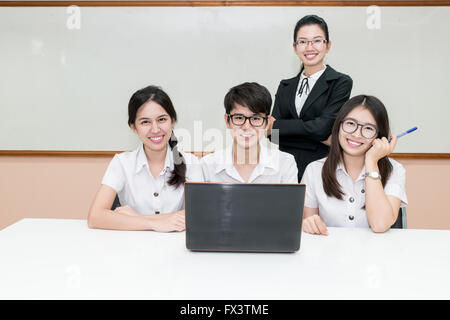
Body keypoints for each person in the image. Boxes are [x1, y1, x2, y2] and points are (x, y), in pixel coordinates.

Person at [88, 85, 203, 232]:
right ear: (133, 127)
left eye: (161, 119)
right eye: (145, 122)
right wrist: (155, 224)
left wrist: (135, 217)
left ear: (172, 121)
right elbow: (95, 217)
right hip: (132, 246)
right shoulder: (122, 162)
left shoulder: (191, 163)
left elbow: (197, 216)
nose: (155, 129)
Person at [301, 95, 408, 235]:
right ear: (339, 126)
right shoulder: (314, 170)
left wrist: (371, 162)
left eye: (369, 128)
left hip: (377, 253)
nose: (357, 134)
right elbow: (310, 225)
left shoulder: (395, 170)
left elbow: (380, 224)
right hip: (330, 253)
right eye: (350, 123)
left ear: (379, 136)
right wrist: (308, 224)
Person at [268, 14, 353, 181]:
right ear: (295, 47)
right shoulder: (285, 86)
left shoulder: (340, 82)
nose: (309, 47)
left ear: (328, 45)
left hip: (321, 167)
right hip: (285, 168)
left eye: (317, 40)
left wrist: (281, 126)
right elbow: (274, 136)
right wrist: (319, 135)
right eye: (303, 41)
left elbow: (322, 127)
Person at [201, 82, 298, 183]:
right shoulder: (208, 165)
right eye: (239, 118)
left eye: (256, 118)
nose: (246, 127)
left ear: (267, 122)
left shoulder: (285, 163)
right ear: (227, 120)